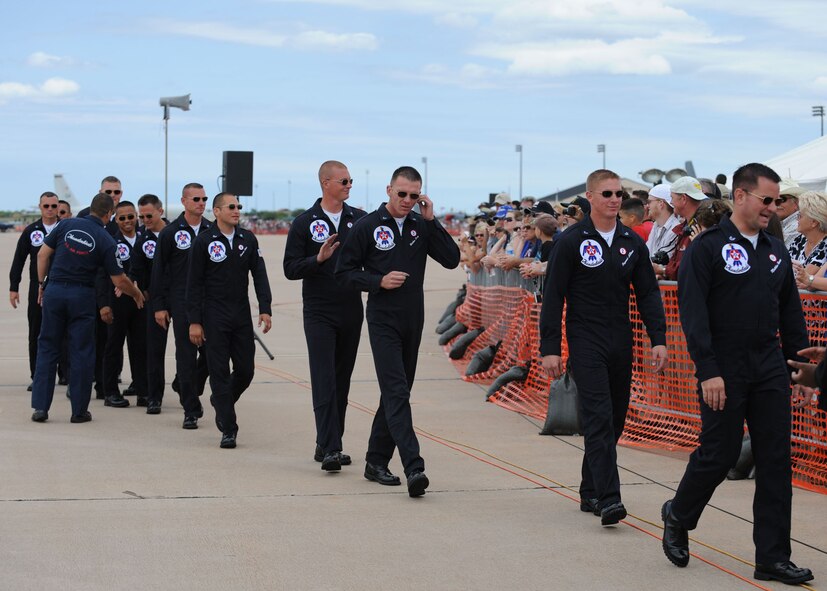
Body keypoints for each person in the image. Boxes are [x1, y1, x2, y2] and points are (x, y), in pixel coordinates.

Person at [661, 163, 813, 586]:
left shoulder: (773, 248)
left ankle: (772, 557)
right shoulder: (707, 248)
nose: (772, 208)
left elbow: (791, 315)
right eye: (766, 200)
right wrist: (708, 371)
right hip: (723, 369)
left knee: (776, 462)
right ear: (741, 196)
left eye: (777, 201)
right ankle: (679, 514)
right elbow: (693, 317)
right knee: (720, 453)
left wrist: (801, 373)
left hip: (768, 368)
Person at [539, 169, 668, 525]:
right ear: (591, 197)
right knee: (597, 418)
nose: (614, 200)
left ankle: (590, 489)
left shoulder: (631, 242)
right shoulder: (572, 241)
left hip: (621, 340)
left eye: (617, 194)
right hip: (585, 340)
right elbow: (553, 296)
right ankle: (610, 498)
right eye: (607, 194)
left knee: (615, 420)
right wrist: (550, 347)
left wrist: (659, 338)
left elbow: (647, 294)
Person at [336, 165, 460, 497]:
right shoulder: (367, 226)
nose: (407, 200)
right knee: (396, 392)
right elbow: (344, 272)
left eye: (414, 195)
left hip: (412, 318)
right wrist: (378, 281)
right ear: (388, 189)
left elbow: (451, 259)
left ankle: (375, 461)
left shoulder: (421, 225)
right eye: (401, 193)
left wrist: (433, 222)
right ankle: (413, 466)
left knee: (396, 391)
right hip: (382, 317)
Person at [30, 193, 144, 423]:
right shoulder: (105, 239)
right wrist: (136, 293)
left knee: (48, 347)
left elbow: (42, 254)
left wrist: (42, 283)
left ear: (90, 209)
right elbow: (119, 280)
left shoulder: (65, 224)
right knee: (81, 351)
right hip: (81, 295)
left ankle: (41, 408)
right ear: (109, 214)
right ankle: (79, 411)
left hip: (55, 290)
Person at [283, 160, 366, 470]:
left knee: (341, 380)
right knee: (324, 378)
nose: (348, 185)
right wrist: (317, 259)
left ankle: (329, 442)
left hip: (350, 310)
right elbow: (290, 269)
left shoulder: (359, 220)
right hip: (319, 311)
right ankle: (330, 446)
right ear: (326, 183)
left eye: (350, 180)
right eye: (343, 181)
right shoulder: (304, 222)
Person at [187, 193, 271, 448]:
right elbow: (194, 284)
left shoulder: (248, 239)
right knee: (219, 372)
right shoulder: (204, 242)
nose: (237, 210)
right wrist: (195, 321)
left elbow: (259, 274)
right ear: (217, 211)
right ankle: (228, 427)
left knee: (246, 370)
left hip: (241, 314)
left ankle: (220, 401)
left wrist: (265, 308)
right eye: (231, 207)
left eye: (239, 207)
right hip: (214, 315)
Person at [151, 182, 212, 429]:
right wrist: (159, 306)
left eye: (204, 199)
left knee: (211, 355)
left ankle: (189, 384)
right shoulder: (170, 233)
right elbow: (159, 272)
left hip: (210, 304)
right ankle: (190, 409)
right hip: (181, 303)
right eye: (196, 199)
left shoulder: (213, 231)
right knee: (185, 356)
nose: (201, 203)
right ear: (184, 201)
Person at [10, 191, 62, 391]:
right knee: (37, 332)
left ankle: (64, 375)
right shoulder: (32, 231)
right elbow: (19, 260)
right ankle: (37, 375)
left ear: (58, 207)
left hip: (62, 285)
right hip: (37, 287)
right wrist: (14, 288)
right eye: (46, 206)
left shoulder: (66, 229)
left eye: (53, 206)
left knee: (64, 333)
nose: (50, 209)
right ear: (40, 207)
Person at [99, 201, 147, 409]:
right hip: (117, 302)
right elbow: (101, 276)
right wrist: (104, 305)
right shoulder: (110, 242)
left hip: (140, 302)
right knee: (113, 347)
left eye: (130, 216)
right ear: (115, 220)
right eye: (122, 218)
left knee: (140, 347)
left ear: (136, 216)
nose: (127, 221)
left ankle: (143, 390)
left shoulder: (146, 240)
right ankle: (110, 391)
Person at [129, 194, 168, 414]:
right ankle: (154, 397)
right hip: (154, 300)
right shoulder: (142, 239)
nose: (145, 220)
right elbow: (136, 269)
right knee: (153, 351)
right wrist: (136, 288)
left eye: (149, 215)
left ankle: (185, 386)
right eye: (141, 216)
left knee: (188, 349)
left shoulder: (175, 234)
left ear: (160, 212)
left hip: (180, 298)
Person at [663, 176, 708, 280]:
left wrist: (663, 271)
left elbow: (689, 267)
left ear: (683, 199)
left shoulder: (703, 228)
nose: (671, 202)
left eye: (672, 198)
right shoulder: (686, 227)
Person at [787, 190, 827, 284]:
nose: (797, 219)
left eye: (800, 215)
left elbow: (802, 281)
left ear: (814, 222)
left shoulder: (825, 245)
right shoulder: (799, 240)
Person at [646, 184, 680, 280]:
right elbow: (646, 254)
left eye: (649, 201)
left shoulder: (676, 229)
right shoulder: (656, 225)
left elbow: (659, 262)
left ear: (661, 203)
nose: (647, 205)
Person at [776, 180, 805, 248]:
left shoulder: (797, 225)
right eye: (773, 200)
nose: (776, 204)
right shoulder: (782, 224)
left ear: (796, 203)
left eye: (782, 199)